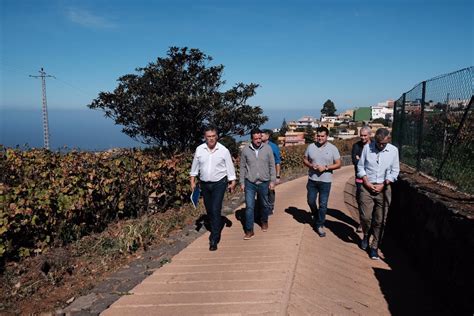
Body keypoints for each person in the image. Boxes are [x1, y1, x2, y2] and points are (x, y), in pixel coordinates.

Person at [190, 126, 236, 251]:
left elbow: (229, 167)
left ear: (217, 137)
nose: (211, 139)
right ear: (205, 137)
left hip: (219, 183)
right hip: (204, 184)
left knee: (216, 208)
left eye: (213, 136)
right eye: (208, 136)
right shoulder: (199, 149)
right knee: (209, 209)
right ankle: (216, 223)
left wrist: (232, 181)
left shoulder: (223, 150)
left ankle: (214, 238)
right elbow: (195, 167)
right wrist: (192, 180)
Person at [357, 128, 400, 260]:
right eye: (379, 143)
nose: (381, 146)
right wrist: (366, 182)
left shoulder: (393, 151)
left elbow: (395, 170)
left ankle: (374, 246)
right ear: (375, 140)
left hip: (384, 187)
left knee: (380, 220)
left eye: (384, 143)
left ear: (388, 141)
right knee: (365, 217)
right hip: (367, 186)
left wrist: (384, 184)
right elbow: (360, 167)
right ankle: (366, 234)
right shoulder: (367, 148)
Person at [303, 126, 341, 237]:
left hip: (325, 181)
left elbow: (338, 164)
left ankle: (319, 225)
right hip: (312, 180)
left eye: (322, 136)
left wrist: (326, 167)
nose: (319, 138)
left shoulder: (333, 148)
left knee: (323, 205)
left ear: (327, 136)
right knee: (310, 201)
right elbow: (305, 159)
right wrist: (310, 165)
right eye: (318, 136)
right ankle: (316, 215)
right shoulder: (310, 146)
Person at [240, 128, 276, 239]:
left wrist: (273, 180)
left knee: (265, 205)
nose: (258, 141)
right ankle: (249, 230)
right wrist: (242, 182)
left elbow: (272, 165)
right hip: (250, 182)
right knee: (250, 207)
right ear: (252, 139)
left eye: (260, 138)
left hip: (264, 182)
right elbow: (242, 167)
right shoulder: (245, 150)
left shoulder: (268, 149)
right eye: (256, 139)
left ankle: (264, 221)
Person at [351, 126, 372, 233]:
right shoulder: (356, 146)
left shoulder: (374, 146)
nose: (363, 137)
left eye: (365, 135)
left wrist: (361, 160)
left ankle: (370, 223)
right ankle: (362, 222)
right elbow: (355, 161)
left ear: (370, 135)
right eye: (361, 135)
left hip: (373, 180)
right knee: (360, 201)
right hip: (359, 179)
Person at [261, 129, 281, 214]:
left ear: (267, 136)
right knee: (261, 191)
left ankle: (270, 206)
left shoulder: (273, 147)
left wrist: (277, 176)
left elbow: (277, 162)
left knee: (270, 190)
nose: (260, 137)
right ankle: (263, 207)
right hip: (260, 173)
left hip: (271, 173)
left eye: (262, 135)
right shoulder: (257, 146)